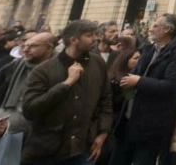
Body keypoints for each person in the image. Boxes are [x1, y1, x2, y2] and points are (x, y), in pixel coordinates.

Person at [22, 19, 113, 165]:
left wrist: (102, 133)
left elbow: (106, 99)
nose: (95, 38)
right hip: (47, 150)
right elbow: (30, 109)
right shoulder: (43, 70)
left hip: (82, 149)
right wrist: (66, 84)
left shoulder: (98, 63)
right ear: (73, 40)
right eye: (89, 35)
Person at [112, 13, 176, 165]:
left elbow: (171, 86)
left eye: (156, 25)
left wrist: (139, 81)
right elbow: (134, 75)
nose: (151, 28)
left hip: (152, 124)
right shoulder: (148, 49)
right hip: (130, 118)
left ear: (167, 29)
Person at [0, 31, 56, 135]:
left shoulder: (57, 70)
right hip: (2, 122)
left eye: (33, 46)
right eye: (24, 45)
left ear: (48, 47)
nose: (26, 49)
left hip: (35, 130)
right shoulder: (15, 65)